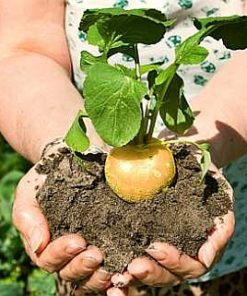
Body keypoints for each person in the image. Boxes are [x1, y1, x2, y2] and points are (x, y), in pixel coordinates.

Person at [0, 0, 246, 295]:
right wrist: (63, 148)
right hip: (87, 252)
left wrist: (196, 155)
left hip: (233, 224)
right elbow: (23, 48)